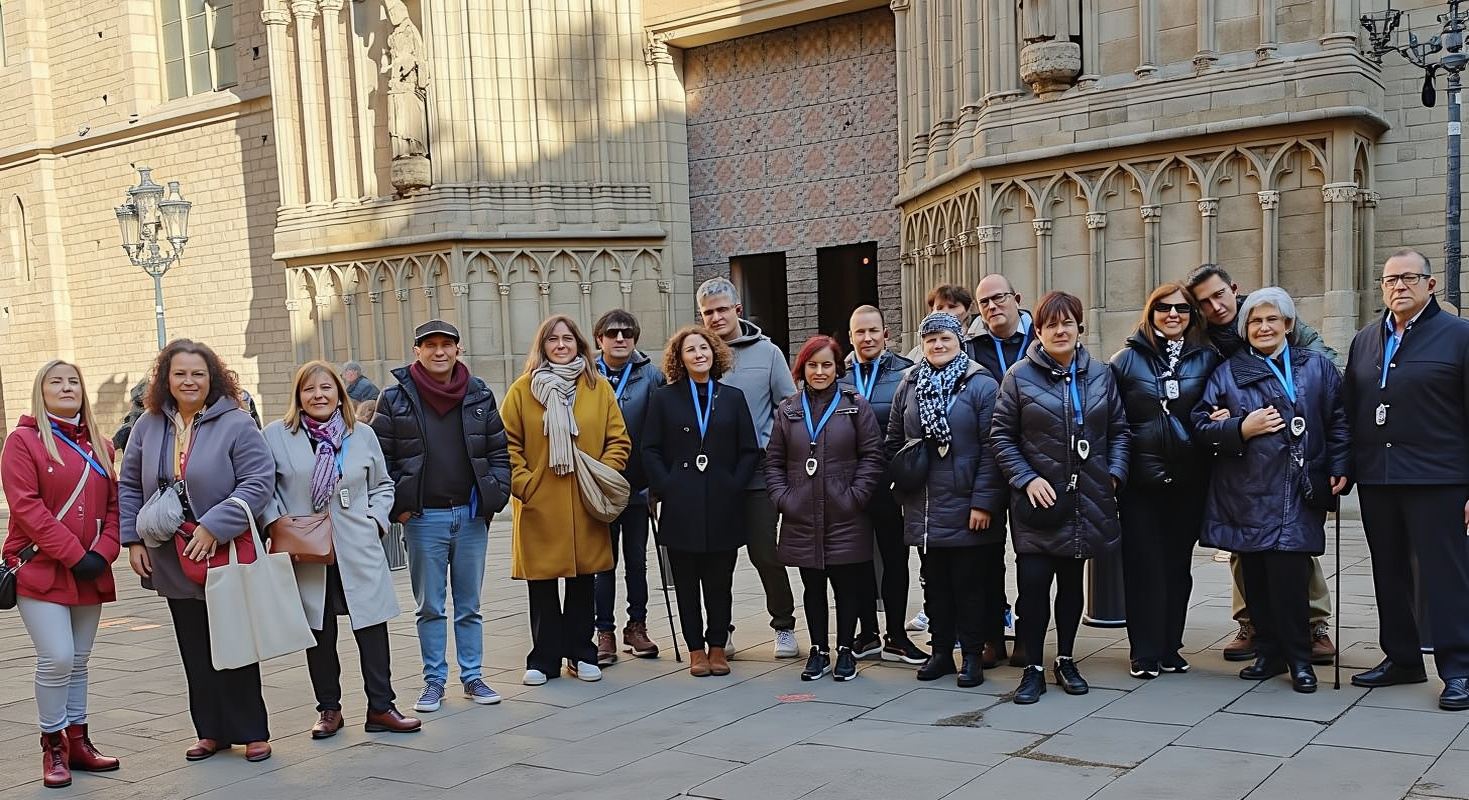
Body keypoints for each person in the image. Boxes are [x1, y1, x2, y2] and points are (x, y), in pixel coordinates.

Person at [118, 340, 275, 762]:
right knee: (193, 645)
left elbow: (258, 482)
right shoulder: (147, 426)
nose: (189, 381)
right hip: (171, 554)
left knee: (234, 641)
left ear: (213, 379)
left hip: (222, 552)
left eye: (198, 373)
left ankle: (251, 730)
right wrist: (132, 540)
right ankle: (210, 731)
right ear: (166, 379)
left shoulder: (237, 424)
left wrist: (215, 526)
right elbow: (129, 485)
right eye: (180, 373)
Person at [1194, 287, 1349, 694]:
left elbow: (1338, 419)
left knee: (1289, 577)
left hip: (1297, 486)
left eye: (1271, 319)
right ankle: (1268, 652)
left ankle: (1299, 659)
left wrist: (1340, 465)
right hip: (1247, 489)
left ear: (1288, 325)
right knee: (1256, 577)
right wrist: (1239, 428)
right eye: (1255, 321)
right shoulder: (1228, 372)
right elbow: (1201, 426)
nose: (1264, 327)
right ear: (1245, 330)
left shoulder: (1316, 367)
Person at [261, 361, 419, 739]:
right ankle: (329, 709)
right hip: (306, 547)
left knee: (372, 625)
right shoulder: (276, 436)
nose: (318, 395)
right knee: (320, 631)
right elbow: (265, 489)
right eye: (309, 389)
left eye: (326, 388)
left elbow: (382, 484)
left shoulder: (360, 434)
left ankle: (381, 707)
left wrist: (376, 520)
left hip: (356, 543)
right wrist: (278, 523)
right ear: (298, 396)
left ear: (339, 393)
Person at [991, 292, 1130, 705]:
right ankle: (1032, 665)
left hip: (1087, 499)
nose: (1060, 330)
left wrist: (1115, 476)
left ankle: (1066, 658)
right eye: (1051, 324)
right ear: (1038, 331)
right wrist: (1026, 479)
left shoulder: (1102, 375)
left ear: (1079, 327)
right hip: (1037, 501)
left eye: (1067, 322)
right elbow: (1001, 437)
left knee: (1072, 586)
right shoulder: (1018, 376)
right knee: (1033, 586)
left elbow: (1120, 430)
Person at [1346, 249, 1469, 711]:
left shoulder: (1458, 336)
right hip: (1379, 476)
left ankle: (1459, 669)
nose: (1399, 286)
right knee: (1388, 572)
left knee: (1446, 576)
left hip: (1439, 478)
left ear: (1431, 285)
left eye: (1409, 278)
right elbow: (1351, 407)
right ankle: (1401, 658)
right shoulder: (1366, 340)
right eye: (1390, 280)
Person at [371, 320, 511, 712]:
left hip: (469, 517)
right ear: (417, 351)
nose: (438, 352)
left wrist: (492, 498)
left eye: (445, 345)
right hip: (423, 518)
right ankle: (434, 681)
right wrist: (400, 506)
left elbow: (499, 452)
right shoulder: (395, 398)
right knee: (430, 606)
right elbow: (382, 459)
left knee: (470, 605)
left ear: (457, 349)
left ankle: (473, 676)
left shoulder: (479, 394)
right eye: (429, 345)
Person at [2, 361, 122, 788]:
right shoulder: (23, 441)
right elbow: (27, 507)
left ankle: (78, 741)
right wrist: (75, 554)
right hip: (41, 566)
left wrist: (104, 552)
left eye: (73, 381)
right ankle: (53, 745)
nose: (67, 387)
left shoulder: (102, 445)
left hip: (91, 567)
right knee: (58, 657)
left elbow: (114, 507)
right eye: (57, 381)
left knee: (80, 662)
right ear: (41, 390)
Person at [501, 315, 632, 685]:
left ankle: (581, 652)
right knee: (541, 585)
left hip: (585, 499)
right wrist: (526, 484)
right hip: (540, 501)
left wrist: (601, 474)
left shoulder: (598, 387)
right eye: (552, 340)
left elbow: (618, 439)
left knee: (582, 580)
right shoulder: (522, 390)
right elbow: (506, 444)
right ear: (542, 347)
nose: (561, 345)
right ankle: (543, 659)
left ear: (580, 345)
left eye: (568, 339)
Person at [886, 312, 1005, 688]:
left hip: (968, 502)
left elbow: (993, 448)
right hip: (924, 503)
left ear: (959, 342)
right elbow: (893, 439)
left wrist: (984, 502)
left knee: (969, 584)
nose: (937, 346)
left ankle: (971, 655)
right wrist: (903, 481)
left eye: (945, 339)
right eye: (930, 339)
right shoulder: (909, 383)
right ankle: (940, 652)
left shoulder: (981, 385)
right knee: (934, 583)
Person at [1109, 283, 1220, 678]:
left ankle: (1170, 646)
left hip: (1189, 478)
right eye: (1163, 308)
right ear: (1150, 312)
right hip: (1140, 482)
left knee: (1177, 566)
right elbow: (1113, 420)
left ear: (1193, 316)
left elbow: (1217, 404)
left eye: (1182, 309)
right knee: (1142, 567)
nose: (1172, 315)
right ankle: (1144, 650)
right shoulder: (1126, 361)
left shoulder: (1207, 359)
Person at [642, 326, 761, 677]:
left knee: (720, 582)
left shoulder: (732, 397)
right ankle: (695, 648)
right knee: (687, 582)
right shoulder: (665, 398)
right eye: (690, 350)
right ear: (679, 358)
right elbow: (650, 449)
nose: (698, 354)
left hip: (722, 504)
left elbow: (749, 449)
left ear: (715, 354)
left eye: (704, 348)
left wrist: (734, 484)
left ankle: (718, 646)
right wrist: (667, 485)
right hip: (681, 506)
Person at [766, 336, 885, 682]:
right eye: (813, 365)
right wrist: (785, 499)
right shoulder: (788, 409)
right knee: (812, 585)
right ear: (802, 368)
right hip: (802, 513)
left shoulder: (854, 406)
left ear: (838, 368)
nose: (820, 372)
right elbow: (772, 462)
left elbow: (872, 456)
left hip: (845, 512)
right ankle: (818, 649)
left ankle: (845, 648)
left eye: (827, 365)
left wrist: (855, 497)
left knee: (846, 584)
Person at [696, 277, 799, 658]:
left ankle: (784, 625)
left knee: (764, 551)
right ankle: (720, 632)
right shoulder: (697, 354)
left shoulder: (767, 353)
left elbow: (788, 407)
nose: (716, 317)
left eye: (722, 309)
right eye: (708, 312)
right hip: (712, 471)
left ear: (738, 310)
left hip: (758, 467)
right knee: (716, 556)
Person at [840, 306, 927, 665]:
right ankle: (867, 634)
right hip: (851, 485)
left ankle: (896, 635)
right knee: (857, 559)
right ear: (851, 337)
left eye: (873, 331)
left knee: (895, 559)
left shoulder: (908, 372)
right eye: (860, 332)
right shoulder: (839, 377)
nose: (868, 338)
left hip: (892, 484)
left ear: (886, 333)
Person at [965, 274, 1035, 667]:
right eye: (984, 302)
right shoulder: (972, 349)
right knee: (987, 557)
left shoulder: (1041, 342)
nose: (992, 307)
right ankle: (993, 635)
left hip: (1035, 467)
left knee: (1031, 556)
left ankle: (1027, 634)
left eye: (999, 298)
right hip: (989, 466)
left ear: (1017, 298)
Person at [591, 309, 664, 665]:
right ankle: (603, 630)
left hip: (638, 487)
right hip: (599, 487)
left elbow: (661, 427)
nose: (620, 339)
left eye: (627, 333)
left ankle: (637, 626)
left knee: (637, 561)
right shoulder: (586, 374)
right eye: (612, 333)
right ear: (599, 339)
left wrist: (656, 484)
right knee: (603, 563)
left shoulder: (651, 375)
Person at [904, 284, 981, 363]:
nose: (945, 312)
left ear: (969, 309)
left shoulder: (981, 342)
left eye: (952, 306)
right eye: (939, 308)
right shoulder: (917, 353)